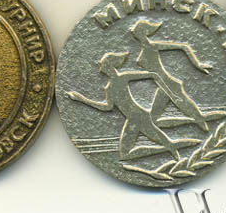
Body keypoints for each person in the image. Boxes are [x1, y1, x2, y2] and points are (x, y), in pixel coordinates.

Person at [67, 52, 200, 160]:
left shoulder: (122, 78)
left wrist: (170, 94)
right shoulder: (110, 87)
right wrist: (82, 100)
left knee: (164, 143)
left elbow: (153, 75)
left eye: (102, 65)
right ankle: (172, 148)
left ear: (109, 66)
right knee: (125, 154)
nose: (100, 68)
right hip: (134, 119)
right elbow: (108, 107)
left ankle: (182, 145)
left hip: (139, 117)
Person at [129, 19, 226, 132]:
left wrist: (198, 65)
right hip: (164, 87)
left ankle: (204, 122)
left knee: (197, 117)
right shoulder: (148, 48)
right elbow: (155, 76)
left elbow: (184, 47)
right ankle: (198, 121)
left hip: (169, 86)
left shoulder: (151, 47)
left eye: (138, 32)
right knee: (156, 120)